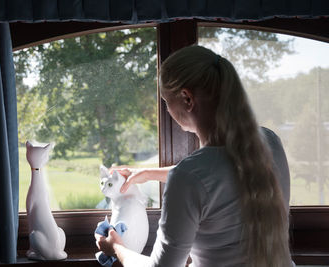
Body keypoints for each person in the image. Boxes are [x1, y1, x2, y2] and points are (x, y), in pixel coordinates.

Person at [95, 45, 292, 267]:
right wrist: (147, 173)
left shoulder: (189, 176)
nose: (167, 111)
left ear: (187, 99)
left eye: (165, 102)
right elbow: (218, 177)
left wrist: (116, 247)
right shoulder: (270, 142)